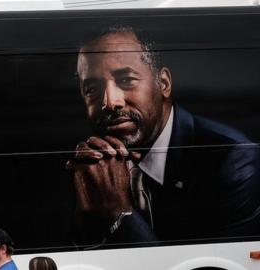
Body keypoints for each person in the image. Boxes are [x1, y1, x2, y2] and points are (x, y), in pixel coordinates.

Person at [67, 26, 260, 245]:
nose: (110, 101)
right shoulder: (88, 166)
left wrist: (120, 212)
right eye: (91, 89)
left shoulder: (232, 160)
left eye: (126, 80)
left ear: (164, 84)